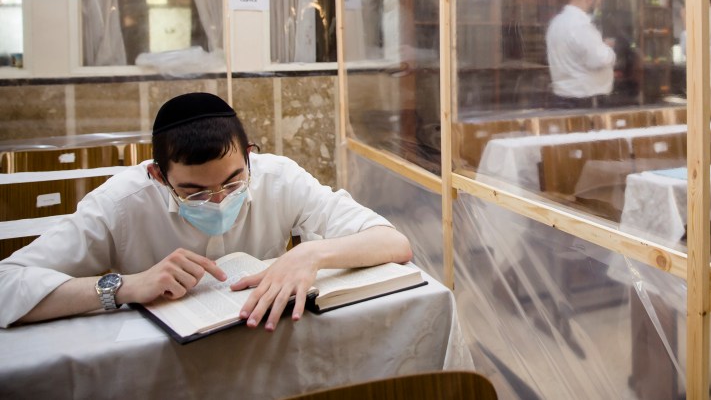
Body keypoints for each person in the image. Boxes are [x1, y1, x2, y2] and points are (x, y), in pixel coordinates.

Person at [0, 92, 412, 330]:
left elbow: (393, 242)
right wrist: (125, 286)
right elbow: (7, 284)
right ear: (158, 176)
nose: (218, 201)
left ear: (249, 157)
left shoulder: (278, 178)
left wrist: (310, 253)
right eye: (195, 193)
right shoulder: (120, 203)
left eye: (233, 182)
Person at [546, 0, 617, 108]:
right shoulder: (580, 25)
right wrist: (608, 50)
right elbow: (598, 60)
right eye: (598, 3)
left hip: (563, 97)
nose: (599, 9)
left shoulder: (556, 22)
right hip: (584, 101)